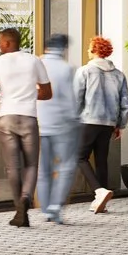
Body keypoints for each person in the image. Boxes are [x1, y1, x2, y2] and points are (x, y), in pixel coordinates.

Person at [0, 26, 49, 226]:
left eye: (0, 41)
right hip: (28, 117)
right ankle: (26, 197)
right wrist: (28, 93)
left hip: (6, 118)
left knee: (12, 167)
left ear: (8, 43)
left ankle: (19, 208)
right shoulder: (34, 61)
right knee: (31, 164)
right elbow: (47, 93)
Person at [75, 35, 128, 213]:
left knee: (79, 157)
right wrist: (120, 124)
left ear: (94, 50)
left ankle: (99, 191)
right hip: (108, 123)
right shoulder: (118, 74)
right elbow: (125, 102)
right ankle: (102, 203)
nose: (87, 51)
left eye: (89, 47)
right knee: (101, 160)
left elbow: (76, 99)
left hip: (88, 121)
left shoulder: (85, 71)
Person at [34, 33, 84, 223]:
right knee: (65, 167)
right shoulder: (67, 68)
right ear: (63, 48)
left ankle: (46, 209)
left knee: (43, 169)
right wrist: (75, 120)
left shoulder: (37, 64)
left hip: (40, 123)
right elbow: (72, 98)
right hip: (64, 125)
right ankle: (56, 206)